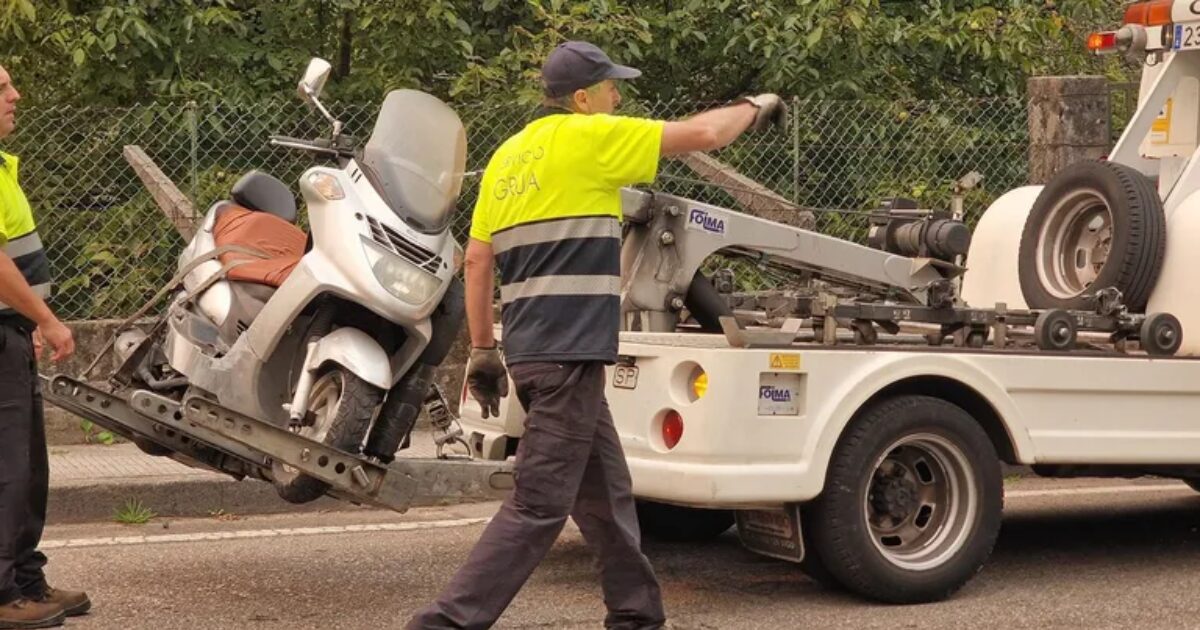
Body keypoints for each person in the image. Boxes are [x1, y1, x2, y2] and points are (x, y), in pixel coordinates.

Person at [408, 41, 787, 630]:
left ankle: (637, 613)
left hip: (536, 352)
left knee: (606, 492)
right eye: (611, 88)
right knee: (538, 506)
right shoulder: (590, 139)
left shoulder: (507, 158)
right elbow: (706, 135)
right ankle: (445, 624)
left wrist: (483, 349)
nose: (618, 97)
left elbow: (478, 262)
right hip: (568, 353)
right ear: (582, 99)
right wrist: (754, 104)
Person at [0, 63, 89, 629]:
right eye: (2, 88)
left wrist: (25, 320)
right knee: (6, 468)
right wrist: (47, 319)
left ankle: (26, 579)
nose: (16, 94)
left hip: (9, 330)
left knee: (28, 466)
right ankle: (3, 593)